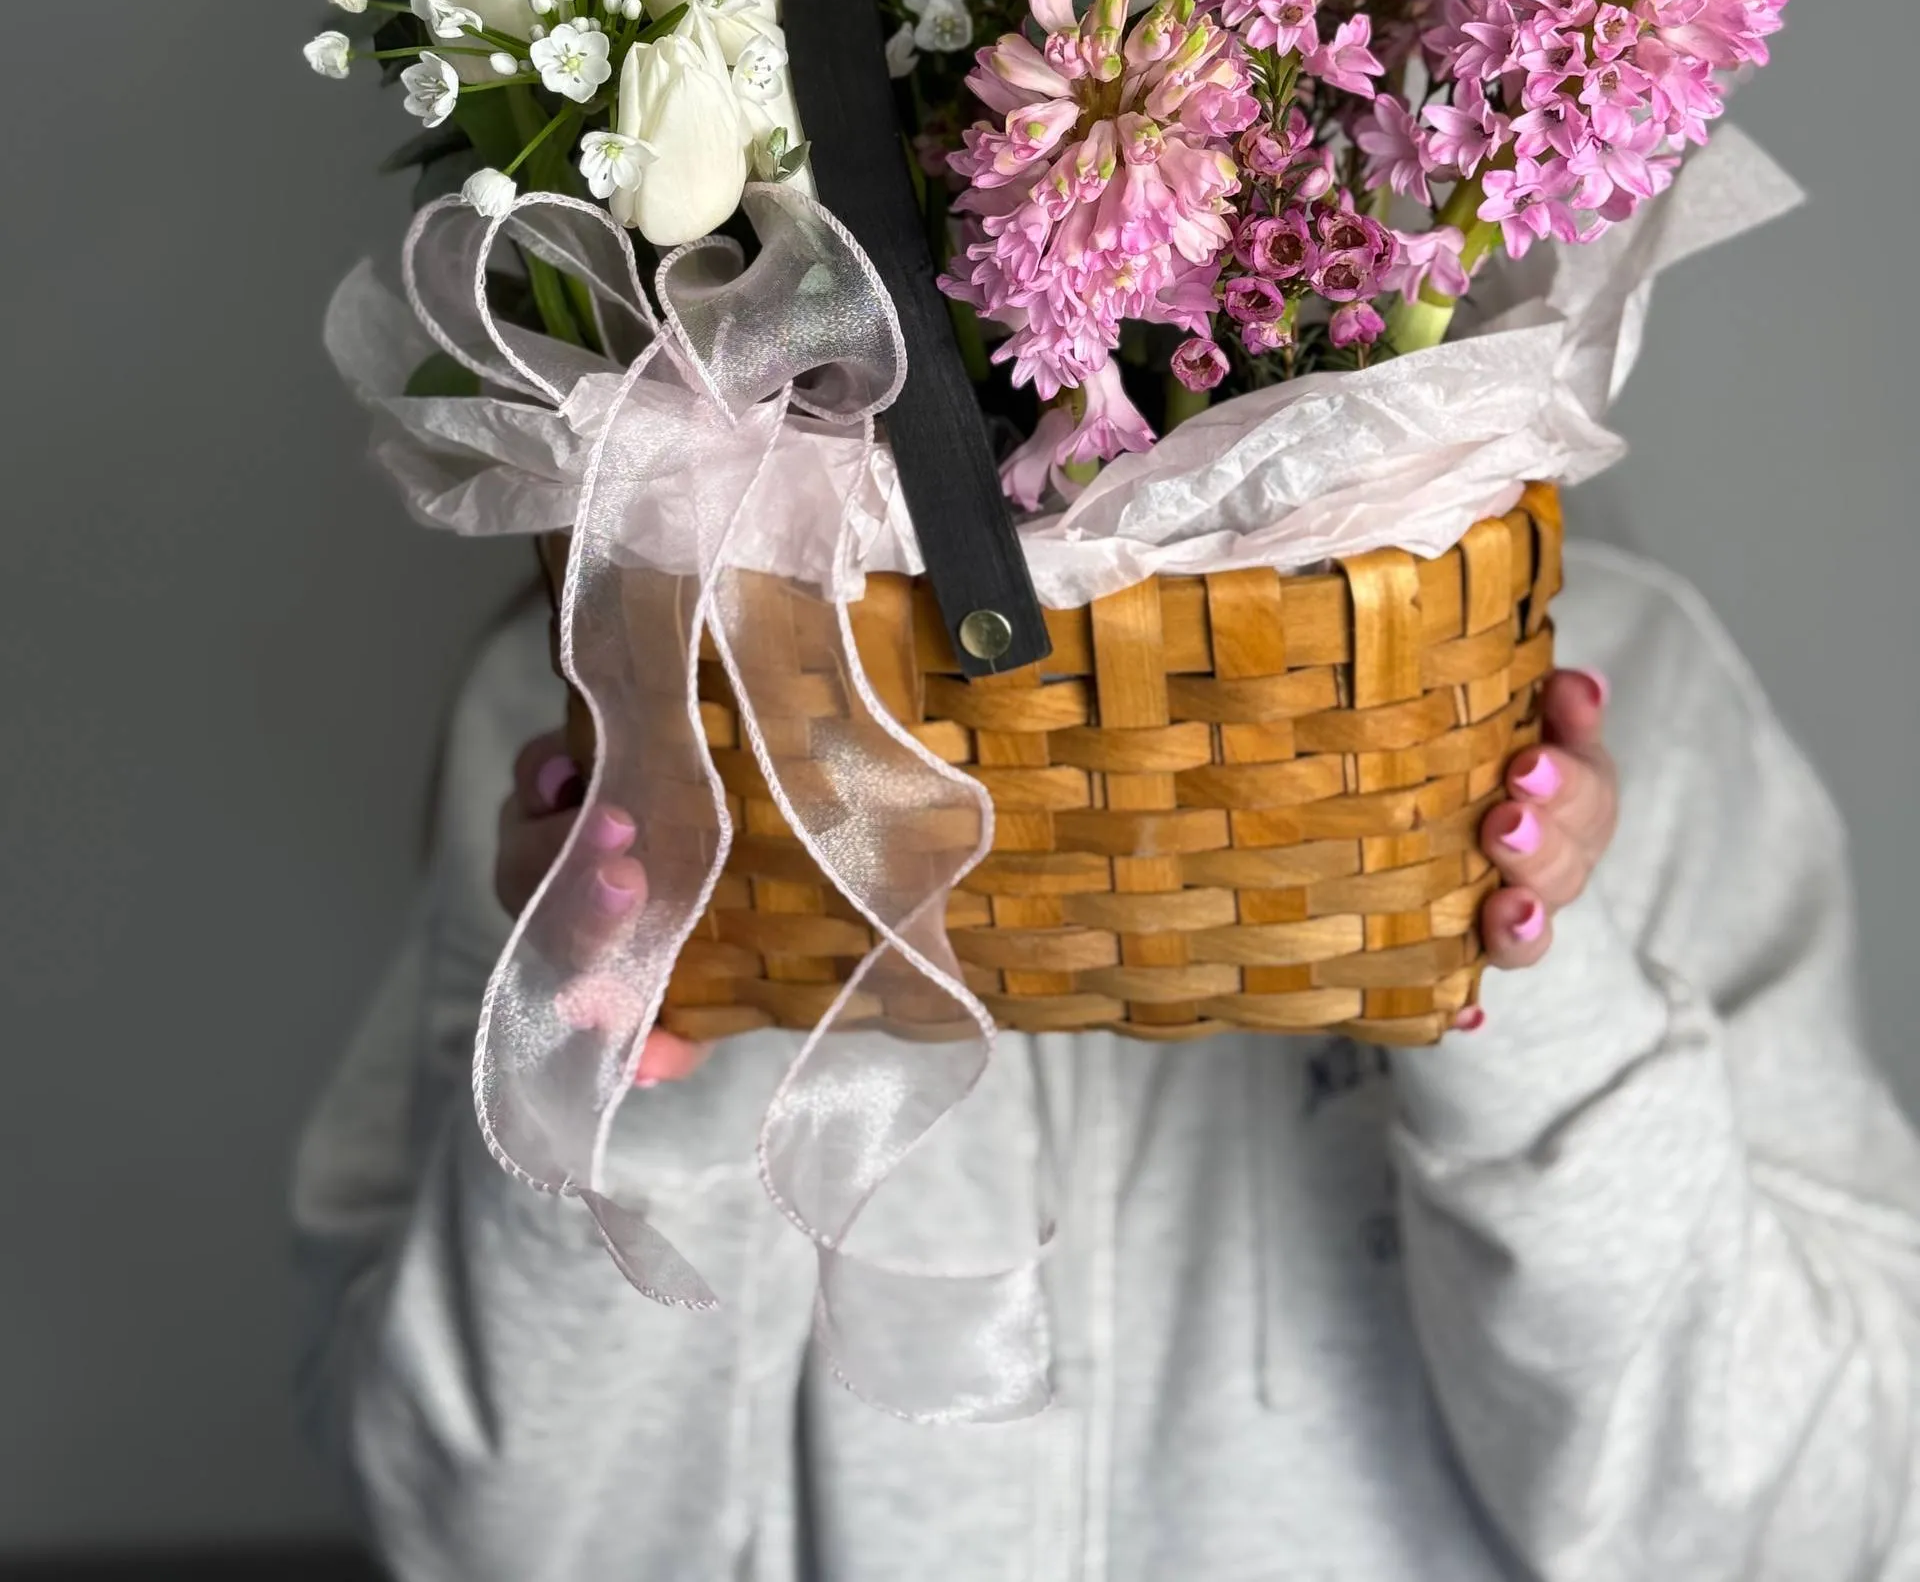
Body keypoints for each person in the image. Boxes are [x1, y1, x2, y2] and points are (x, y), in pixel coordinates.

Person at [293, 536, 1920, 1580]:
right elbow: (492, 1539)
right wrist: (646, 1043)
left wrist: (1525, 986)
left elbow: (1803, 1526)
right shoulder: (612, 698)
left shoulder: (1609, 687)